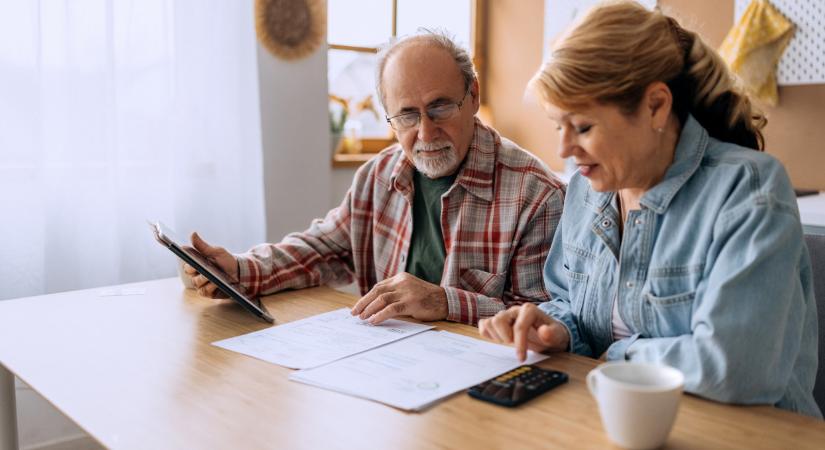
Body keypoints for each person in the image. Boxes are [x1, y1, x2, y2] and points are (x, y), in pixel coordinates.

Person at [479, 1, 821, 417]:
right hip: (615, 419)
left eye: (583, 127)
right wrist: (556, 329)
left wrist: (618, 355)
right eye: (558, 126)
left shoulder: (748, 188)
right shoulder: (585, 191)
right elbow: (569, 303)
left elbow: (733, 367)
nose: (563, 150)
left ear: (656, 106)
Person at [183, 30, 565, 326]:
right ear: (389, 116)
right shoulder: (378, 175)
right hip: (386, 375)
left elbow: (544, 319)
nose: (426, 133)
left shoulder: (536, 195)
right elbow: (321, 249)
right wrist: (237, 269)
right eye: (407, 116)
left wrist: (443, 301)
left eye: (440, 107)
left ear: (474, 95)